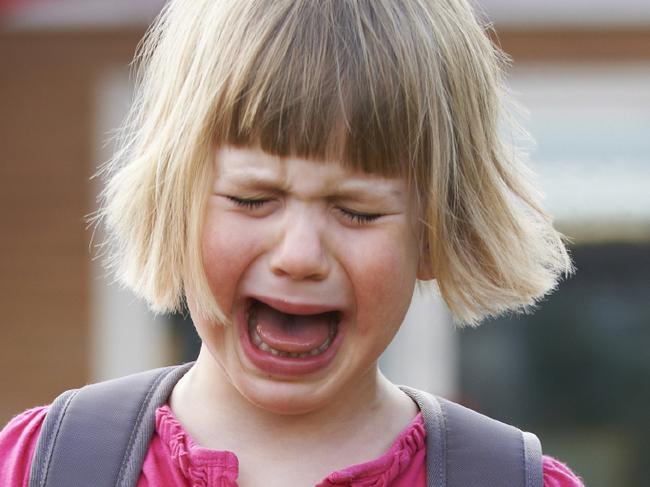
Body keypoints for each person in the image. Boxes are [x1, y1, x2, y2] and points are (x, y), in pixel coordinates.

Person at [1, 0, 585, 485]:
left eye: (356, 210)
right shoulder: (43, 465)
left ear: (435, 234)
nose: (299, 255)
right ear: (175, 205)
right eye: (253, 199)